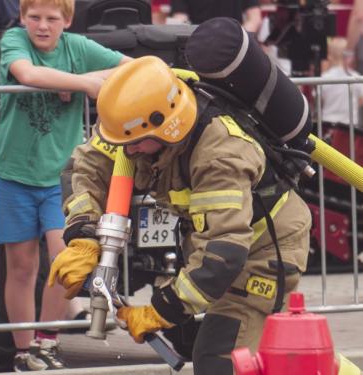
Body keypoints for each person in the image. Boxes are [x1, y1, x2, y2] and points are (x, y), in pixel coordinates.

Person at [48, 55, 311, 375]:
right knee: (203, 343)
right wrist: (83, 238)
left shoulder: (219, 153)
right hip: (210, 248)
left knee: (221, 357)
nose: (127, 152)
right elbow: (86, 171)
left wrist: (159, 311)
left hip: (265, 250)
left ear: (168, 128)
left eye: (135, 145)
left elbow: (224, 251)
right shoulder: (132, 127)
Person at [0, 0, 131, 371]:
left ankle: (47, 341)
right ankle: (24, 349)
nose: (42, 25)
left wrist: (83, 76)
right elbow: (27, 74)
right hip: (13, 173)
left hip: (63, 177)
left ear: (66, 21)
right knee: (20, 266)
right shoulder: (13, 40)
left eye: (52, 18)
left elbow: (130, 68)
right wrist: (83, 82)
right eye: (34, 17)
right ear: (22, 18)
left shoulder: (77, 48)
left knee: (64, 259)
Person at [321, 37, 363, 128]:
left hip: (328, 122)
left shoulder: (324, 77)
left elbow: (320, 100)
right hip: (350, 124)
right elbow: (361, 100)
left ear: (329, 55)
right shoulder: (355, 77)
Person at [170, 0, 262, 33]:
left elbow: (254, 19)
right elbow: (181, 19)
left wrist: (241, 38)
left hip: (235, 42)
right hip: (199, 44)